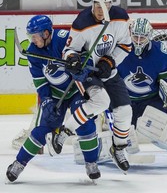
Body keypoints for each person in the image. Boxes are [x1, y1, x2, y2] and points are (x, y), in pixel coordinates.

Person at [6, 15, 101, 182]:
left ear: (45, 33)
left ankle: (91, 163)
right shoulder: (33, 52)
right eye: (30, 37)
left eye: (34, 36)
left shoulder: (64, 39)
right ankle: (19, 162)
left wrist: (82, 67)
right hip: (55, 95)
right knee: (43, 128)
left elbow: (86, 55)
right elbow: (40, 82)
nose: (32, 40)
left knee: (84, 122)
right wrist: (47, 100)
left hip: (76, 89)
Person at [52, 0, 133, 173]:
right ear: (92, 3)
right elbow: (69, 50)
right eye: (97, 5)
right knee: (102, 101)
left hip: (109, 73)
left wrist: (110, 61)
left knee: (125, 111)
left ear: (111, 4)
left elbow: (126, 46)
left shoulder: (121, 18)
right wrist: (72, 59)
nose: (100, 10)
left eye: (105, 5)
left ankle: (118, 148)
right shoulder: (82, 23)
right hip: (89, 74)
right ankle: (64, 131)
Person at [117, 17, 167, 127]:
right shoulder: (118, 49)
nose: (138, 41)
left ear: (149, 36)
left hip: (151, 102)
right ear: (130, 34)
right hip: (124, 102)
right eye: (135, 37)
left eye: (143, 37)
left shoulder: (159, 52)